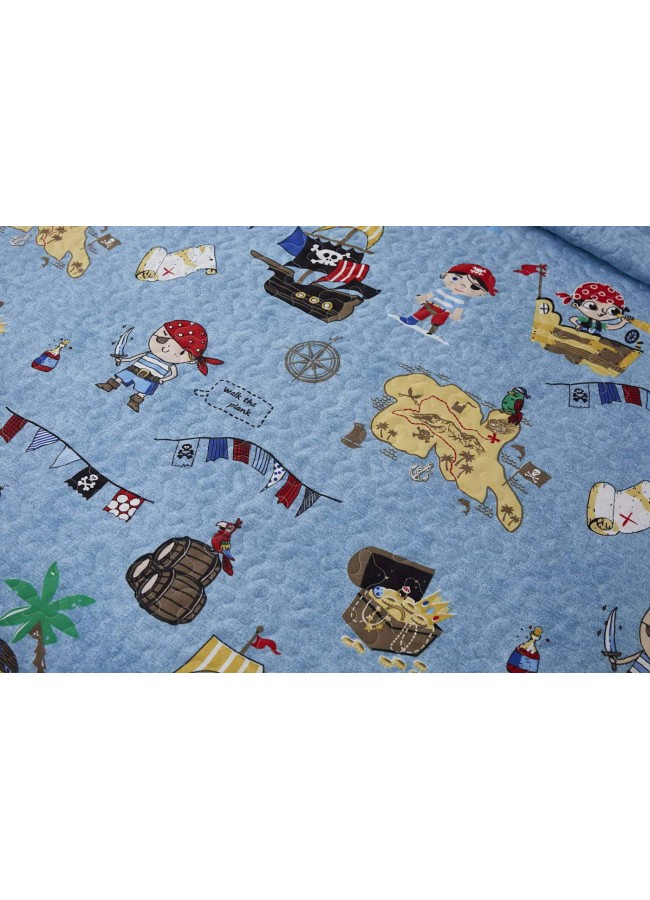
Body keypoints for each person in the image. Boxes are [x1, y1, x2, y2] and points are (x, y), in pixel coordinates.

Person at [96, 319, 223, 412]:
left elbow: (174, 374)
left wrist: (164, 379)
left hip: (152, 378)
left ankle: (134, 402)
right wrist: (124, 360)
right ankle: (110, 385)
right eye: (161, 340)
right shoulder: (149, 353)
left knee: (144, 390)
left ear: (190, 360)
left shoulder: (169, 364)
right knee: (122, 376)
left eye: (180, 352)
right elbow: (135, 358)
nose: (165, 349)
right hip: (134, 369)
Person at [399, 263, 498, 336]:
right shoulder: (443, 290)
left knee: (437, 320)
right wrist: (422, 297)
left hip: (443, 311)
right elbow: (431, 294)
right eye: (455, 278)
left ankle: (432, 331)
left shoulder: (459, 300)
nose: (461, 286)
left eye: (474, 287)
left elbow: (458, 310)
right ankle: (410, 321)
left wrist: (456, 316)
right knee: (422, 312)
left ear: (483, 293)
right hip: (432, 305)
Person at [556, 282, 628, 334]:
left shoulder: (599, 324)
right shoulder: (585, 320)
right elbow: (573, 319)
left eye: (612, 311)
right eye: (591, 306)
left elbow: (611, 327)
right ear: (576, 305)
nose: (600, 313)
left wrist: (623, 322)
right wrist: (577, 325)